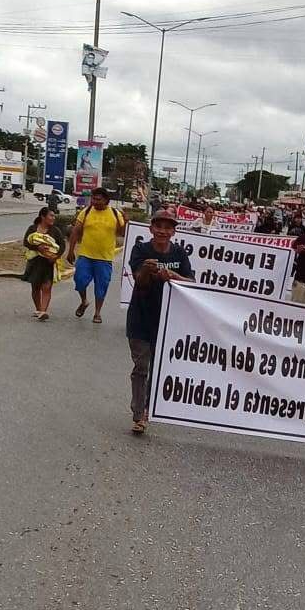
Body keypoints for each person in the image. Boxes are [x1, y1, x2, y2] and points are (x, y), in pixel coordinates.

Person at [126, 211, 194, 434]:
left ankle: (147, 410)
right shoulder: (140, 250)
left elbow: (191, 282)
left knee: (158, 368)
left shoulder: (179, 253)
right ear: (151, 229)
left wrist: (174, 276)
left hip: (167, 320)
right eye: (159, 226)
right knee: (141, 366)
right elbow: (139, 281)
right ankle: (139, 413)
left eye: (168, 228)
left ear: (174, 231)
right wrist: (146, 270)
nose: (163, 231)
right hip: (140, 318)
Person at [66, 186, 126, 324]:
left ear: (106, 200)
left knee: (101, 286)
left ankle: (97, 313)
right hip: (85, 255)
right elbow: (75, 231)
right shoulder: (86, 212)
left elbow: (122, 232)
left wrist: (126, 221)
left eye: (98, 199)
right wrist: (70, 250)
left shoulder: (115, 214)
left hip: (104, 258)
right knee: (79, 280)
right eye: (93, 199)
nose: (95, 202)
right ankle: (84, 301)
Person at [22, 207, 65, 321]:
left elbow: (62, 245)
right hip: (35, 262)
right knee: (35, 287)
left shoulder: (55, 230)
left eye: (54, 216)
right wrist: (38, 248)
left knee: (47, 287)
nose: (53, 218)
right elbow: (26, 242)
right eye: (51, 215)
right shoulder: (32, 229)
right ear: (43, 216)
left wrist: (56, 256)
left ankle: (43, 311)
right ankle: (39, 308)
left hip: (49, 263)